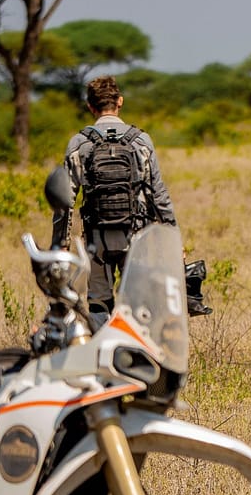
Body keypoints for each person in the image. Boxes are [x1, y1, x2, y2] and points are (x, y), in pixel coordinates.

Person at [55, 75, 177, 324]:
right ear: (120, 101)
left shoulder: (79, 143)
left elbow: (65, 200)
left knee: (99, 300)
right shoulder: (141, 141)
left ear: (90, 106)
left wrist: (61, 243)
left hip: (97, 237)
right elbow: (159, 193)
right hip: (137, 234)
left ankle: (102, 355)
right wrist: (173, 237)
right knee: (138, 301)